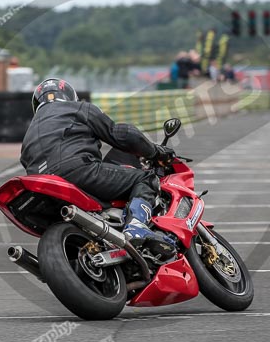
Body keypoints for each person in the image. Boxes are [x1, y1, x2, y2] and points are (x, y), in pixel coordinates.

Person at [20, 78, 178, 259]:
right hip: (78, 171)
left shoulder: (28, 135)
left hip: (41, 188)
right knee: (145, 178)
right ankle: (136, 225)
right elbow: (122, 135)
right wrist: (156, 152)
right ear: (70, 96)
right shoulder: (78, 108)